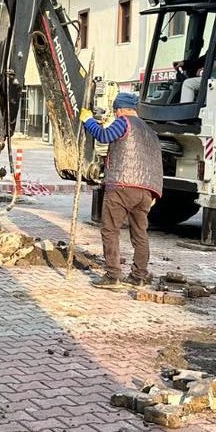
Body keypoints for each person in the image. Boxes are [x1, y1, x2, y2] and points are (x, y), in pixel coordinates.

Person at [80, 92, 163, 288]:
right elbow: (157, 162)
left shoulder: (124, 122)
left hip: (121, 186)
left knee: (110, 230)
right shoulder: (150, 132)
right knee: (140, 234)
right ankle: (138, 276)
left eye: (116, 110)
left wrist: (89, 121)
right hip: (146, 190)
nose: (116, 114)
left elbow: (104, 135)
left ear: (120, 109)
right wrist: (155, 191)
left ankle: (112, 276)